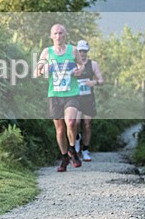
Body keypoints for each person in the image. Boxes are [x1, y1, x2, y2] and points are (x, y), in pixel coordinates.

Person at [36, 24, 83, 172]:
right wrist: (43, 69)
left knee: (71, 122)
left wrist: (79, 71)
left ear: (65, 34)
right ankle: (64, 157)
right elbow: (38, 70)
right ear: (51, 36)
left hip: (71, 93)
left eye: (61, 33)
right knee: (60, 130)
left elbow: (82, 66)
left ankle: (72, 150)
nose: (58, 36)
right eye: (55, 33)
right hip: (55, 95)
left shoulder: (73, 50)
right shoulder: (47, 52)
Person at [75, 39, 104, 161]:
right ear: (77, 51)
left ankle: (85, 150)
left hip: (88, 99)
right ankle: (76, 139)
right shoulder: (72, 64)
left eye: (84, 51)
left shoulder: (93, 64)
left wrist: (94, 82)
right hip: (75, 98)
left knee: (87, 125)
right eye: (80, 51)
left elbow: (101, 80)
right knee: (76, 122)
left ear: (87, 51)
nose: (82, 53)